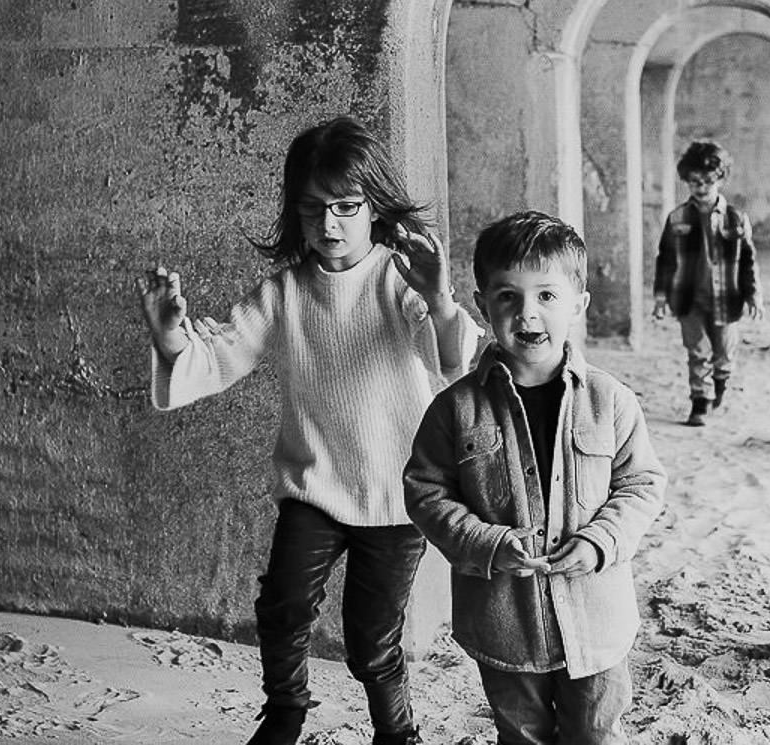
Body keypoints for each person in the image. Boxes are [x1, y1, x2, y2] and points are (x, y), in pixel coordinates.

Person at [138, 116, 479, 745]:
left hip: (395, 497)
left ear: (375, 208)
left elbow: (451, 362)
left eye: (346, 207)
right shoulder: (284, 292)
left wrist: (438, 299)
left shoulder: (398, 280)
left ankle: (397, 734)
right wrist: (170, 339)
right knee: (282, 609)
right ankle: (286, 712)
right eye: (312, 208)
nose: (329, 225)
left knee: (370, 641)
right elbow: (220, 355)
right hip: (313, 487)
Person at [404, 211, 666, 745]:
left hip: (596, 621)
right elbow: (425, 490)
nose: (527, 313)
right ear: (483, 305)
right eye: (508, 296)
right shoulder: (455, 408)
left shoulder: (609, 399)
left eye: (547, 296)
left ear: (578, 305)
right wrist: (487, 542)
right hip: (504, 623)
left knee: (595, 734)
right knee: (521, 736)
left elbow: (642, 485)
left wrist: (599, 542)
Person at [651, 140, 761, 427]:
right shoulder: (677, 218)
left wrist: (754, 296)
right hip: (688, 298)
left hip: (727, 297)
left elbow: (748, 260)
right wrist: (661, 297)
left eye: (707, 182)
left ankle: (721, 384)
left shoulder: (737, 218)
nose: (700, 188)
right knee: (697, 351)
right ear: (687, 181)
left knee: (724, 352)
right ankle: (699, 402)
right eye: (694, 182)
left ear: (720, 179)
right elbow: (665, 259)